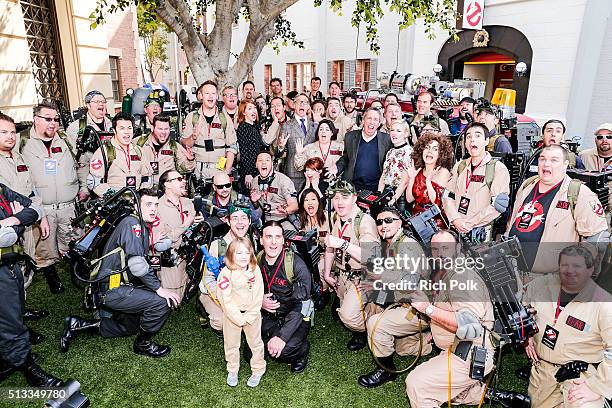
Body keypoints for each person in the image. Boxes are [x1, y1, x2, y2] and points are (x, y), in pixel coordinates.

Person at [60, 188, 181, 358]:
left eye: (155, 204)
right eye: (148, 204)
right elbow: (137, 265)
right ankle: (143, 344)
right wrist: (159, 289)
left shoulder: (136, 222)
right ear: (136, 204)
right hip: (112, 289)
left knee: (130, 326)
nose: (153, 209)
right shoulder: (134, 224)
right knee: (161, 302)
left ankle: (78, 324)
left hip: (112, 284)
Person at [405, 230, 496, 407]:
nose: (439, 254)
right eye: (435, 249)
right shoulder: (452, 270)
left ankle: (475, 388)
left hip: (471, 351)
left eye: (445, 248)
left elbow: (470, 327)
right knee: (449, 391)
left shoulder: (463, 277)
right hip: (458, 344)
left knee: (417, 384)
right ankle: (488, 394)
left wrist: (427, 308)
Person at [523, 244, 612, 407]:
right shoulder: (540, 286)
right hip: (544, 369)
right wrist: (526, 336)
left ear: (590, 270)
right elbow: (523, 310)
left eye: (577, 266)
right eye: (565, 265)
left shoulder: (603, 304)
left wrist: (596, 387)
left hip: (581, 373)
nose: (570, 271)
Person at [507, 144, 610, 274]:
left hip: (550, 280)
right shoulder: (527, 186)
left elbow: (597, 240)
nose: (546, 164)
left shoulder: (579, 194)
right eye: (542, 159)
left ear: (565, 164)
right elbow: (512, 223)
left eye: (554, 160)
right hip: (513, 272)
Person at [357, 207, 430, 388]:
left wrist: (379, 278)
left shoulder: (407, 246)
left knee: (375, 324)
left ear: (400, 223)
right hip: (404, 302)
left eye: (388, 220)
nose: (383, 225)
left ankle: (386, 371)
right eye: (379, 222)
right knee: (402, 349)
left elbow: (410, 283)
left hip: (419, 309)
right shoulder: (392, 244)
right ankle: (428, 339)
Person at [0, 181, 63, 387]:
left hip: (10, 264)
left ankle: (8, 358)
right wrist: (16, 224)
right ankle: (28, 368)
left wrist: (14, 219)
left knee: (15, 313)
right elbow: (5, 236)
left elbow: (34, 209)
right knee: (11, 323)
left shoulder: (1, 189)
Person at [21, 101, 82, 294]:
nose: (53, 123)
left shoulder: (64, 139)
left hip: (68, 205)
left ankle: (76, 270)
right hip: (42, 207)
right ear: (35, 120)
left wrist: (83, 186)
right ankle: (51, 274)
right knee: (44, 245)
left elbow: (80, 163)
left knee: (71, 239)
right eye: (47, 119)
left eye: (56, 119)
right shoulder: (21, 141)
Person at [322, 180, 379, 350]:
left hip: (361, 278)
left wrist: (342, 244)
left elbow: (371, 257)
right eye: (336, 197)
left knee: (347, 316)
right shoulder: (336, 218)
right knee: (339, 313)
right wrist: (326, 274)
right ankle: (361, 328)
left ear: (354, 198)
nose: (339, 202)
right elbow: (330, 247)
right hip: (343, 275)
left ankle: (377, 328)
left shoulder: (364, 221)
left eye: (344, 197)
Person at [257, 220, 312, 372]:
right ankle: (272, 336)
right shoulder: (257, 259)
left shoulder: (296, 265)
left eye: (277, 237)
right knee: (251, 354)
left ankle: (302, 350)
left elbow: (303, 305)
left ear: (283, 240)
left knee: (285, 351)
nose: (273, 242)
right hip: (269, 316)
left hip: (296, 316)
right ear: (261, 240)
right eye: (268, 237)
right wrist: (259, 301)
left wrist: (282, 337)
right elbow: (249, 289)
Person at [443, 123, 511, 243]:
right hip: (456, 229)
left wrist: (470, 223)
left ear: (486, 141)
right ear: (465, 143)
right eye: (468, 137)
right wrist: (455, 219)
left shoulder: (497, 169)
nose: (472, 139)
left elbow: (498, 206)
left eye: (477, 136)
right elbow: (447, 195)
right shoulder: (460, 166)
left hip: (480, 234)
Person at [217, 237, 266, 388]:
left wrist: (250, 315)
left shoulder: (254, 269)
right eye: (239, 253)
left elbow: (259, 294)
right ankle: (232, 369)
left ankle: (258, 369)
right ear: (231, 255)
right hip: (232, 316)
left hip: (252, 315)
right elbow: (225, 298)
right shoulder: (226, 273)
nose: (244, 256)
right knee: (231, 344)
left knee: (256, 343)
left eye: (247, 252)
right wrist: (238, 318)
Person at [199, 205, 253, 335]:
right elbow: (207, 279)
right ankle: (202, 308)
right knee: (224, 322)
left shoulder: (252, 241)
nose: (240, 223)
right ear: (228, 221)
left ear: (249, 221)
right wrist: (227, 301)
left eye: (244, 218)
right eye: (235, 218)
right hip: (216, 292)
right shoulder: (217, 245)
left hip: (239, 291)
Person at [154, 170, 200, 301]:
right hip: (170, 259)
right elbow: (163, 241)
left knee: (190, 291)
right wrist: (185, 225)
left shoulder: (187, 203)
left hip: (189, 256)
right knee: (175, 301)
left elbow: (192, 229)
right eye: (179, 179)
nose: (184, 181)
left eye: (183, 178)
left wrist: (197, 223)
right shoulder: (157, 208)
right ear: (167, 184)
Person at [183, 80, 237, 178]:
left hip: (219, 170)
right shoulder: (192, 117)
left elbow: (232, 147)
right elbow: (184, 144)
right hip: (198, 171)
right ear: (201, 96)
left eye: (213, 93)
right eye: (207, 93)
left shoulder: (224, 118)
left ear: (217, 96)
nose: (210, 96)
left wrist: (226, 171)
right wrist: (193, 137)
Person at [65, 90, 112, 201]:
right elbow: (73, 160)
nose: (101, 104)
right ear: (88, 105)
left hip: (109, 179)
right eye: (96, 101)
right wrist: (83, 188)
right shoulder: (76, 128)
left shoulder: (112, 124)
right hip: (86, 181)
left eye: (103, 101)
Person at [88, 112, 150, 196]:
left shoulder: (138, 151)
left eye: (129, 128)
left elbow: (147, 177)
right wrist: (114, 198)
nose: (126, 132)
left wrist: (143, 195)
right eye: (122, 128)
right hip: (114, 203)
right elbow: (94, 182)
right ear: (114, 130)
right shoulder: (104, 151)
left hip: (136, 201)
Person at [335, 108, 392, 192]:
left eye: (375, 119)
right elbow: (346, 158)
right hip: (353, 185)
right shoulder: (350, 137)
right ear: (363, 120)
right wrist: (336, 168)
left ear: (379, 123)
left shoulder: (387, 139)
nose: (372, 122)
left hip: (376, 187)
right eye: (369, 118)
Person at [403, 132, 453, 227]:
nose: (430, 151)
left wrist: (428, 182)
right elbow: (409, 199)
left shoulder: (443, 172)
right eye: (427, 147)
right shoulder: (418, 171)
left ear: (440, 154)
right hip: (417, 219)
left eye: (435, 149)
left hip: (436, 222)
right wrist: (412, 179)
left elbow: (436, 203)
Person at [271, 93, 317, 189]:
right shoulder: (286, 126)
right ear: (294, 105)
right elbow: (278, 154)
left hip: (312, 173)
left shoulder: (315, 126)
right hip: (293, 173)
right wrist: (280, 147)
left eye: (305, 102)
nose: (302, 104)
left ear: (308, 106)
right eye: (299, 102)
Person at [136, 114, 195, 186]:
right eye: (160, 129)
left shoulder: (174, 146)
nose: (163, 132)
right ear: (152, 128)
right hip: (144, 190)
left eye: (166, 129)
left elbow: (187, 168)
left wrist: (190, 160)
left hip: (166, 191)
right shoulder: (139, 143)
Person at [250, 151, 299, 229]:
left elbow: (295, 206)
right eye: (260, 160)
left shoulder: (283, 180)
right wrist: (255, 202)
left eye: (267, 160)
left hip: (284, 221)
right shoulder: (254, 182)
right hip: (266, 223)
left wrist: (285, 210)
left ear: (272, 164)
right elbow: (259, 212)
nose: (264, 163)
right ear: (256, 164)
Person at [378, 119, 413, 206]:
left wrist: (392, 200)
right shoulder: (390, 151)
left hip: (399, 197)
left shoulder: (409, 152)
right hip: (386, 193)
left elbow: (405, 181)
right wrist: (379, 193)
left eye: (398, 131)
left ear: (406, 134)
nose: (394, 133)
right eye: (392, 130)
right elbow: (384, 174)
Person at [580, 122, 612, 215]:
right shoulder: (584, 155)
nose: (604, 140)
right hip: (586, 207)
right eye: (600, 137)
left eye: (609, 137)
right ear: (595, 140)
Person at [236, 99, 265, 193]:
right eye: (249, 108)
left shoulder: (254, 127)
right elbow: (244, 151)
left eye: (254, 108)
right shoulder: (243, 127)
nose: (253, 111)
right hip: (248, 170)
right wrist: (247, 173)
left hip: (256, 169)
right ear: (243, 113)